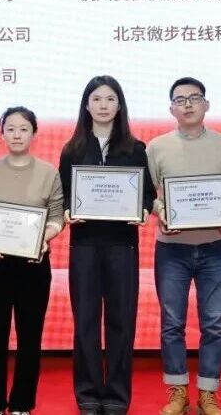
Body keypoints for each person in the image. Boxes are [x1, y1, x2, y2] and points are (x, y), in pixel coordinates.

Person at [57, 76, 155, 415]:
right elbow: (64, 194)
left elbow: (147, 194)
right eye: (96, 99)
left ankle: (115, 394)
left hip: (122, 245)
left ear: (120, 105)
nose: (103, 105)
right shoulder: (71, 150)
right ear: (86, 105)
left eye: (110, 99)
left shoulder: (135, 148)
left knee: (121, 322)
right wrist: (67, 210)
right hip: (84, 244)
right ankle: (87, 392)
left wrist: (143, 210)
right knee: (84, 321)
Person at [146, 77, 221, 415]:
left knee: (214, 324)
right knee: (172, 323)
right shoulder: (156, 147)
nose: (187, 105)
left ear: (206, 105)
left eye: (194, 98)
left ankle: (208, 394)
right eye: (180, 100)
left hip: (215, 247)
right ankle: (178, 392)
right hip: (172, 248)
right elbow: (147, 196)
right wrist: (161, 211)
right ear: (171, 108)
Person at [0, 107, 65, 415]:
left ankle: (22, 404)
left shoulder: (49, 173)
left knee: (30, 337)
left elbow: (56, 217)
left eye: (23, 129)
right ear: (1, 134)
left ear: (34, 134)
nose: (16, 134)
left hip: (33, 265)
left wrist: (43, 238)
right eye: (10, 129)